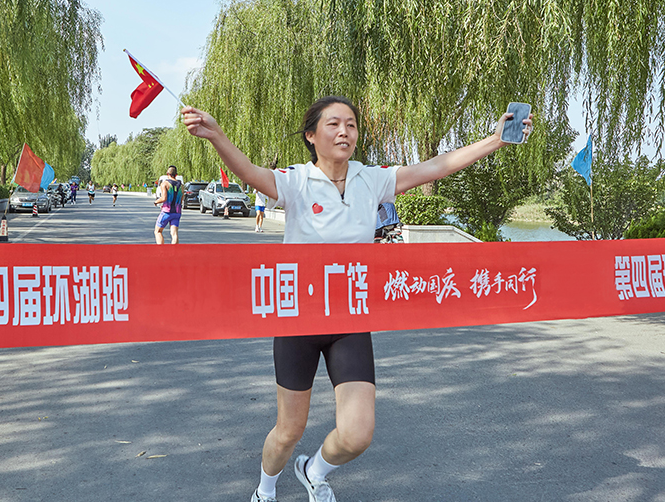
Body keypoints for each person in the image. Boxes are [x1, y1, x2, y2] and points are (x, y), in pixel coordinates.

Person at [181, 96, 532, 502]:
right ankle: (265, 489)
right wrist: (217, 136)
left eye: (350, 124)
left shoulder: (373, 179)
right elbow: (250, 172)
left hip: (349, 318)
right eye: (333, 124)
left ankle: (314, 471)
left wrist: (495, 141)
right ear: (311, 136)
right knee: (288, 431)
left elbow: (436, 166)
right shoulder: (295, 181)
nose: (344, 131)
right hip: (299, 318)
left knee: (357, 434)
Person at [153, 166, 183, 244]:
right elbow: (181, 199)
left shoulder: (165, 184)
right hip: (177, 212)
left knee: (158, 231)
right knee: (174, 233)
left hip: (167, 211)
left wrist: (156, 202)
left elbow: (164, 198)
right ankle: (174, 251)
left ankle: (162, 250)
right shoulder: (181, 185)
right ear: (176, 174)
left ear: (167, 174)